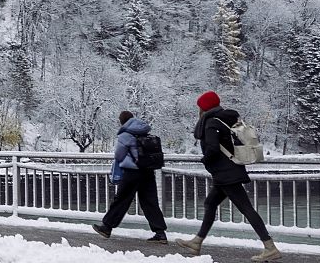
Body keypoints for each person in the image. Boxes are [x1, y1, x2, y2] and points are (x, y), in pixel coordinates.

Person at [181, 91, 282, 262]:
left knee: (246, 209)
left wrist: (205, 160)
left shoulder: (211, 123)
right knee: (210, 203)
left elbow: (212, 148)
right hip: (229, 171)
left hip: (226, 174)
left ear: (204, 107)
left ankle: (270, 247)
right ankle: (197, 242)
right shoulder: (225, 118)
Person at [92, 111, 168, 242]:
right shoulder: (144, 130)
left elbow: (119, 155)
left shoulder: (125, 135)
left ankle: (107, 227)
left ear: (122, 122)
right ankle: (160, 233)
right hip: (148, 171)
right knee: (150, 202)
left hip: (132, 172)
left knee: (121, 200)